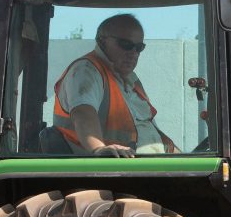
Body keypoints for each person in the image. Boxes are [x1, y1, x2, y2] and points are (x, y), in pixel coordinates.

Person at [53, 13, 178, 156]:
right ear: (102, 41)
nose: (133, 53)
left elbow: (149, 130)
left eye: (139, 47)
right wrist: (99, 149)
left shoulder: (131, 81)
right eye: (126, 45)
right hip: (114, 165)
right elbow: (83, 113)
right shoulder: (86, 70)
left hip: (152, 163)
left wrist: (183, 158)